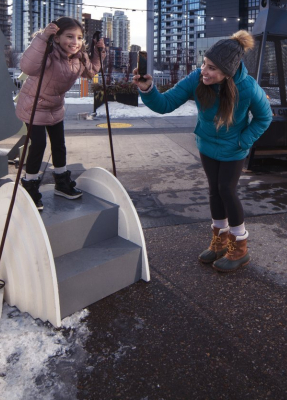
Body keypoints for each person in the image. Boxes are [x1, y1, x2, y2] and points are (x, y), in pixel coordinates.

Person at [135, 31, 272, 272]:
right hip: (207, 145)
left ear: (227, 72)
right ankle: (219, 241)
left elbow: (264, 117)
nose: (204, 71)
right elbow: (166, 104)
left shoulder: (248, 87)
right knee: (214, 191)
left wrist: (244, 141)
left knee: (226, 190)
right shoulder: (196, 79)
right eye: (204, 64)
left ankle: (240, 248)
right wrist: (147, 89)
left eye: (212, 68)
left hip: (233, 149)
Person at [15, 17, 105, 208]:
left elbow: (91, 72)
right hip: (34, 105)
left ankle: (61, 183)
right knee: (38, 144)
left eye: (79, 37)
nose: (75, 42)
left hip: (55, 106)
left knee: (59, 144)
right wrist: (42, 38)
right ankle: (30, 185)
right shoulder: (49, 53)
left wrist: (98, 53)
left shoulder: (79, 57)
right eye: (69, 36)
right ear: (56, 38)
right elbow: (28, 67)